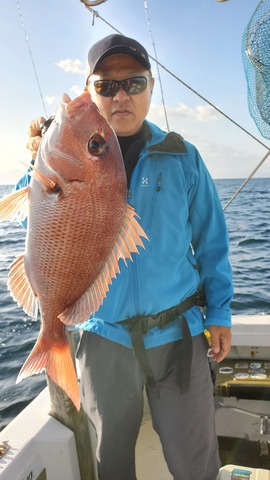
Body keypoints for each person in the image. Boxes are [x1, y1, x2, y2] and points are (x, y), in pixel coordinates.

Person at [17, 34, 234, 480]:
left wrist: (222, 313)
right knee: (111, 460)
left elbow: (213, 241)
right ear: (89, 90)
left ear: (151, 88)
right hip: (103, 336)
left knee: (195, 461)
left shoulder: (183, 157)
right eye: (106, 85)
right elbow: (42, 232)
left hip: (179, 334)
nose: (120, 95)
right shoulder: (52, 160)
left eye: (134, 84)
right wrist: (36, 169)